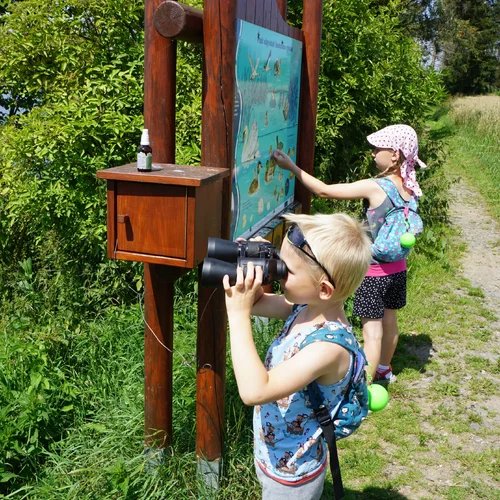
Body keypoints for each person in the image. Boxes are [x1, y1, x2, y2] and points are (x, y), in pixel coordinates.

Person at [223, 212, 372, 499]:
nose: (279, 271)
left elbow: (255, 391)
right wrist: (249, 262)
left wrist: (236, 313)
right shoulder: (304, 308)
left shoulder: (329, 348)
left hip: (294, 476)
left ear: (324, 289)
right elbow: (256, 302)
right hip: (274, 455)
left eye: (286, 270)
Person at [273, 124, 427, 384]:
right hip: (398, 268)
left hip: (374, 271)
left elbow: (324, 190)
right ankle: (385, 370)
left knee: (372, 330)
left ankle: (363, 386)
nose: (373, 153)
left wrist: (292, 167)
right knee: (390, 321)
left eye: (379, 148)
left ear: (395, 155)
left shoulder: (376, 187)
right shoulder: (410, 187)